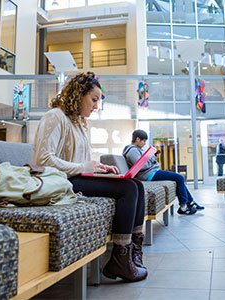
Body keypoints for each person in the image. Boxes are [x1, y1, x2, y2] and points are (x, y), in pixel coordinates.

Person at [31, 72, 148, 282]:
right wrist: (85, 166)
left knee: (136, 185)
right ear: (78, 94)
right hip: (61, 183)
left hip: (74, 179)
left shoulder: (79, 123)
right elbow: (44, 160)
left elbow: (80, 162)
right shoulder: (55, 116)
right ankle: (120, 259)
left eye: (98, 101)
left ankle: (133, 254)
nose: (96, 105)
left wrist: (98, 167)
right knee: (128, 189)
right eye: (94, 99)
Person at [123, 130, 204, 216]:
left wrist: (151, 157)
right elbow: (142, 166)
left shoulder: (136, 149)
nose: (144, 143)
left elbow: (144, 163)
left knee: (178, 178)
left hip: (151, 172)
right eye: (144, 141)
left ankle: (190, 202)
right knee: (179, 178)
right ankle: (183, 207)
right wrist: (152, 158)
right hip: (148, 175)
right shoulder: (132, 151)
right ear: (138, 139)